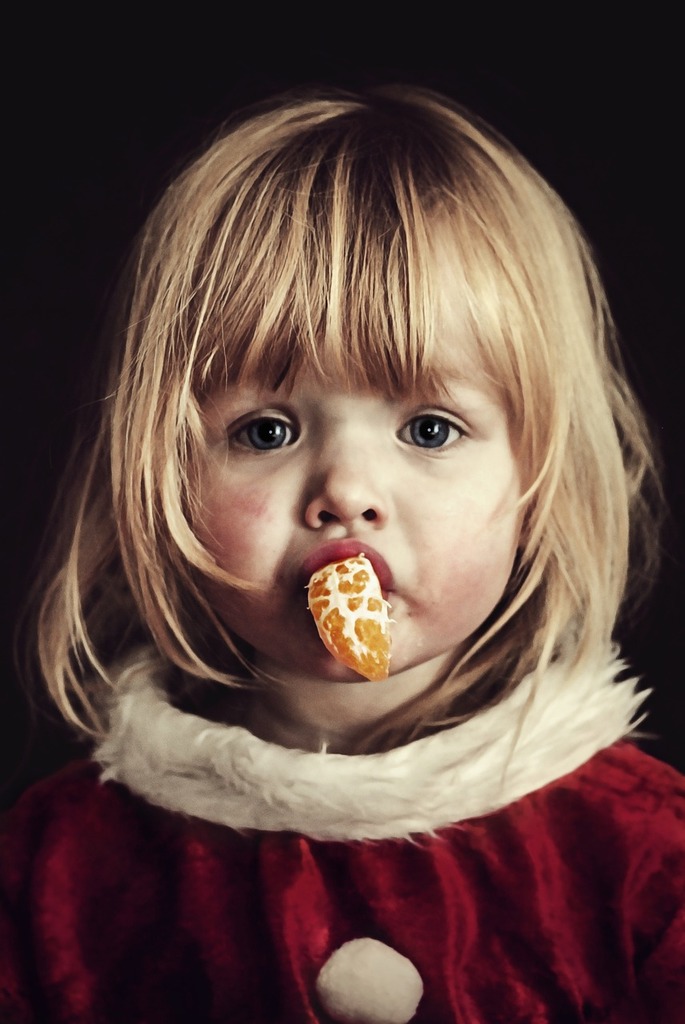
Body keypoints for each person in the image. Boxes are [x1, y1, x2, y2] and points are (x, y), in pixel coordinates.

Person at [1, 85, 682, 1024]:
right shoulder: (54, 871)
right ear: (159, 475)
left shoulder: (647, 859)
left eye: (432, 429)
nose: (346, 491)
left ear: (540, 484)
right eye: (268, 429)